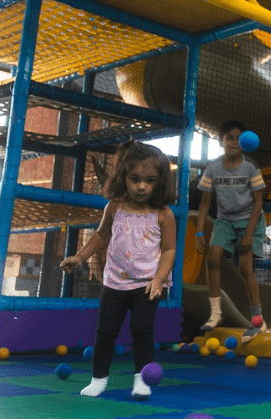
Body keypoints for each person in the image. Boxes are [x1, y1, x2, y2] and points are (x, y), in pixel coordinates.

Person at [60, 140, 176, 399]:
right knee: (106, 331)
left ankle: (141, 379)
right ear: (123, 177)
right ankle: (98, 379)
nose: (142, 186)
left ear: (160, 182)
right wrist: (80, 257)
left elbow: (169, 250)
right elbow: (101, 235)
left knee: (142, 329)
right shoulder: (115, 207)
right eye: (135, 179)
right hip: (114, 282)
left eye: (150, 180)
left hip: (147, 283)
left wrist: (160, 279)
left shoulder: (163, 214)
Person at [195, 120, 267, 343]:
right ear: (222, 141)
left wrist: (248, 233)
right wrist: (199, 233)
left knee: (245, 267)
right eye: (229, 137)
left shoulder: (250, 167)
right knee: (212, 258)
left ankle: (258, 321)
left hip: (250, 218)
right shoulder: (213, 168)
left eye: (238, 138)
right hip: (225, 221)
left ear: (244, 142)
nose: (234, 142)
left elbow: (258, 201)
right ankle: (215, 313)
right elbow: (205, 202)